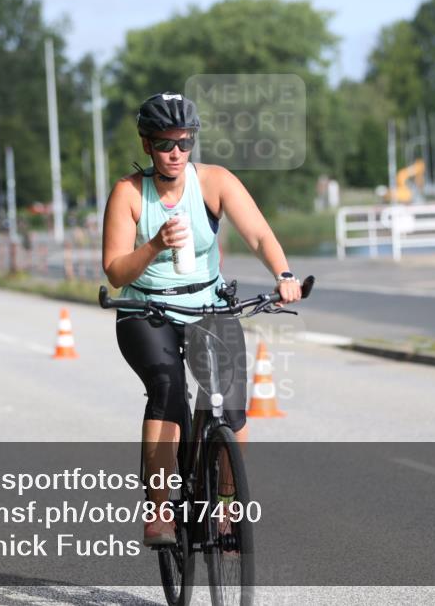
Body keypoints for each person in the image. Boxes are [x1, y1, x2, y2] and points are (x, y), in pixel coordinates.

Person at [101, 91, 303, 546]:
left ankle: (226, 507)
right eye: (164, 144)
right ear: (146, 144)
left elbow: (258, 233)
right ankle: (159, 511)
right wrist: (155, 244)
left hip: (207, 304)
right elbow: (115, 271)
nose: (176, 153)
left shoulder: (215, 182)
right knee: (167, 389)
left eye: (184, 142)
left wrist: (284, 274)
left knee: (230, 407)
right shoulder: (129, 193)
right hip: (146, 310)